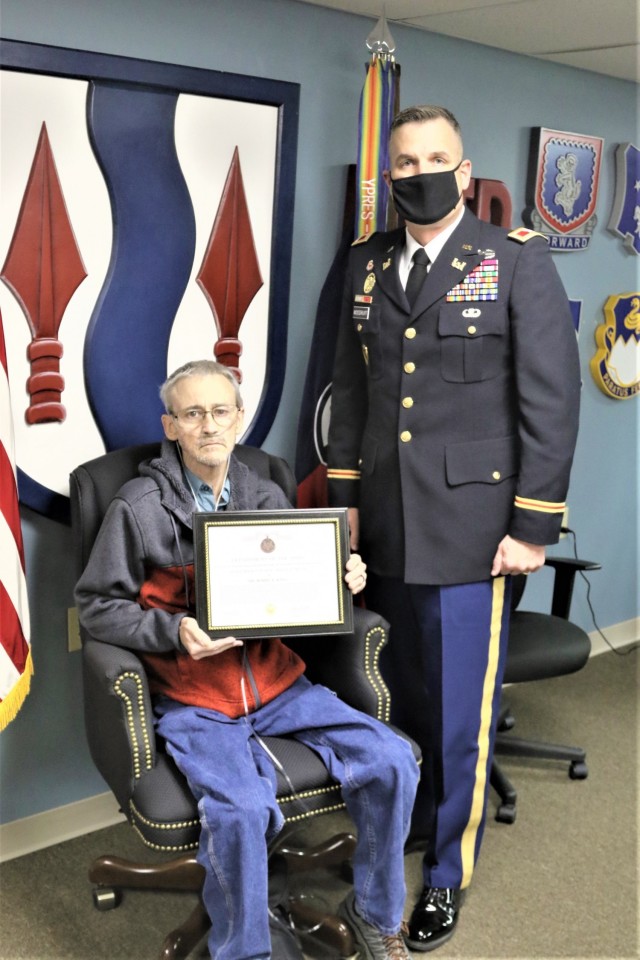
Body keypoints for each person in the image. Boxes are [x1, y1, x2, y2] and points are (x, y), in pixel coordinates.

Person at [327, 105, 581, 951]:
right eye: (405, 161)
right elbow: (352, 392)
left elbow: (550, 402)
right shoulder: (366, 264)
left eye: (436, 158)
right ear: (388, 174)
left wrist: (534, 527)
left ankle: (446, 872)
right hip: (388, 524)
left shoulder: (513, 264)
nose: (419, 171)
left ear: (465, 173)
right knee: (393, 697)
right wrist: (347, 496)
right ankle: (405, 820)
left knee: (458, 716)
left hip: (475, 533)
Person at [75, 359, 420, 960]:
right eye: (192, 413)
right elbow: (96, 608)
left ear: (239, 419)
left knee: (393, 759)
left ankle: (372, 914)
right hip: (194, 698)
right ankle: (244, 952)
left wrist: (345, 579)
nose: (208, 425)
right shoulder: (138, 507)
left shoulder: (267, 489)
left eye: (220, 411)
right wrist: (175, 629)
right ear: (172, 425)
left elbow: (296, 589)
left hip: (279, 685)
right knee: (240, 808)